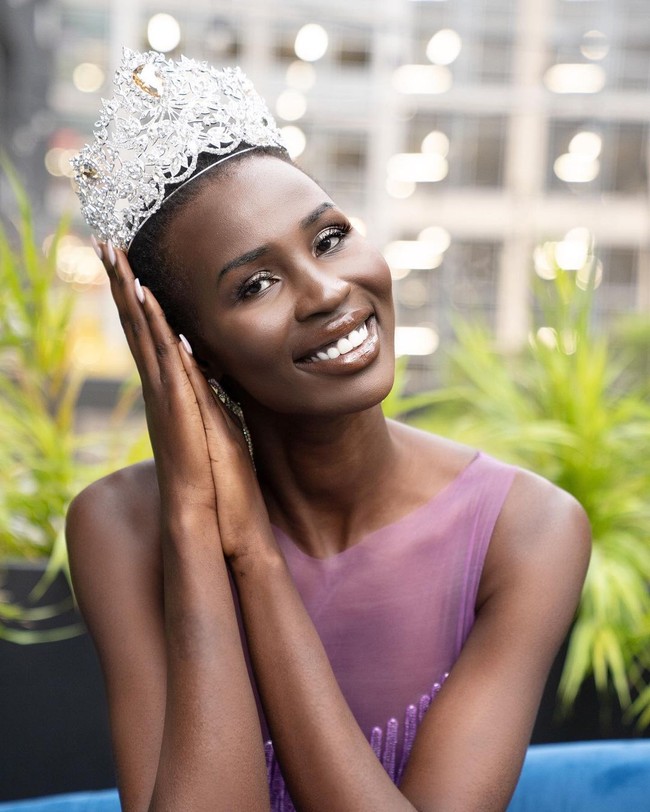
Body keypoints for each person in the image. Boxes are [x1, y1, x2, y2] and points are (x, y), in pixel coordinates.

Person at [66, 49, 591, 812]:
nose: (326, 291)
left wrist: (254, 555)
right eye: (256, 285)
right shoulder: (122, 528)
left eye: (329, 237)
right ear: (190, 352)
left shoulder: (528, 530)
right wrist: (195, 520)